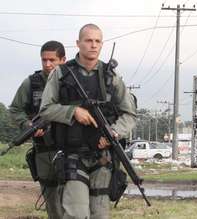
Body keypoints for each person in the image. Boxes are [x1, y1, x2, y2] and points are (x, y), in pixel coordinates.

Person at [40, 23, 137, 219]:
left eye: (97, 41)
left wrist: (114, 133)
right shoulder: (60, 73)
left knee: (99, 215)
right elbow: (45, 110)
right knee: (76, 213)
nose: (93, 45)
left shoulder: (112, 77)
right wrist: (73, 112)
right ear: (78, 43)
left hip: (102, 157)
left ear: (102, 45)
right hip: (72, 155)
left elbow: (130, 114)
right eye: (88, 40)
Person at [9, 41, 66, 218]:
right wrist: (28, 126)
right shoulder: (31, 83)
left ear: (63, 60)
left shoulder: (73, 82)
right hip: (44, 150)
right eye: (44, 60)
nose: (48, 64)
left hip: (69, 148)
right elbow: (15, 109)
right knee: (52, 204)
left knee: (73, 200)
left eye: (52, 60)